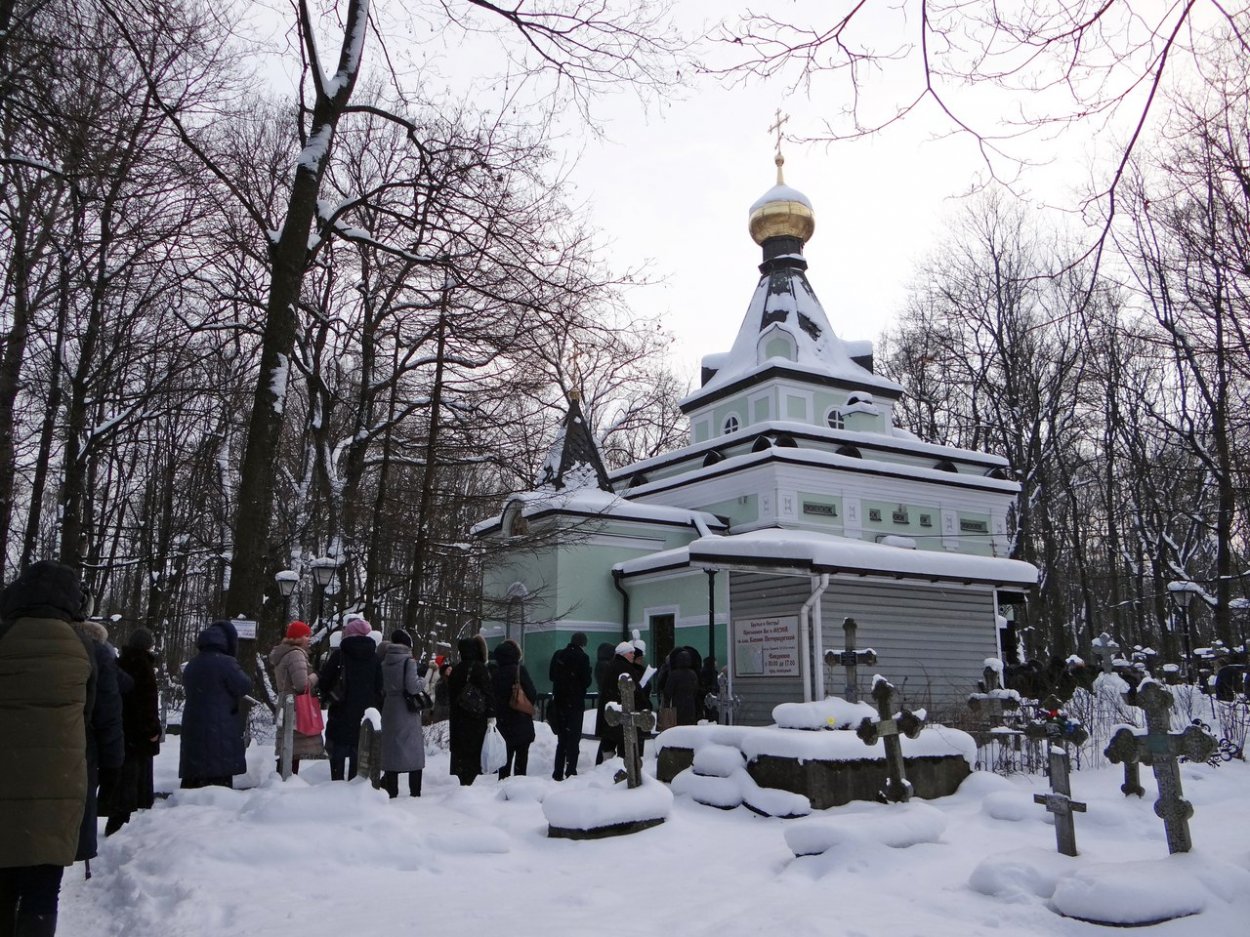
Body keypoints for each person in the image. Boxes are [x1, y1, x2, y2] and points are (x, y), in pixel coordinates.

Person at [0, 560, 94, 937]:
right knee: (43, 888)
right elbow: (90, 713)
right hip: (59, 781)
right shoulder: (83, 648)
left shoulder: (4, 637)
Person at [73, 619, 125, 873]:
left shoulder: (11, 635)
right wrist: (113, 763)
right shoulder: (97, 654)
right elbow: (108, 714)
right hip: (77, 751)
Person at [179, 619, 251, 789]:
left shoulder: (192, 664)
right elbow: (244, 685)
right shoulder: (226, 663)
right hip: (220, 728)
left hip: (194, 726)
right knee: (218, 782)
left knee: (195, 778)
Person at [107, 628, 161, 835]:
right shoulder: (143, 666)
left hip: (122, 728)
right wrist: (152, 729)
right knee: (134, 780)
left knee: (124, 778)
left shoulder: (120, 663)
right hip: (138, 732)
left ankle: (118, 819)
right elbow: (147, 702)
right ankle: (123, 826)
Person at [319, 617, 382, 781]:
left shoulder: (339, 655)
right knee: (359, 752)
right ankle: (356, 787)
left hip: (341, 711)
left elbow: (324, 681)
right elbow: (380, 687)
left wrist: (329, 695)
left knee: (338, 752)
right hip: (364, 714)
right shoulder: (374, 658)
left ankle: (336, 785)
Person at [268, 620, 323, 775]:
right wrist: (315, 676)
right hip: (295, 707)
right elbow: (301, 685)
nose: (309, 639)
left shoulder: (283, 653)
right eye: (306, 635)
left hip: (285, 703)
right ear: (297, 638)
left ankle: (282, 777)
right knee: (292, 749)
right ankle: (287, 780)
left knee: (288, 747)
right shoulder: (296, 655)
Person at [379, 630, 426, 797]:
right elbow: (413, 686)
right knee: (413, 750)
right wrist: (423, 680)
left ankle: (392, 789)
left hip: (390, 707)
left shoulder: (385, 661)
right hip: (406, 709)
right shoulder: (409, 662)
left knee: (392, 749)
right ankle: (415, 791)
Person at [447, 634, 493, 786]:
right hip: (475, 719)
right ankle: (470, 786)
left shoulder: (456, 669)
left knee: (462, 755)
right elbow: (488, 693)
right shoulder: (480, 669)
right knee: (474, 755)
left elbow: (450, 694)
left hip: (458, 719)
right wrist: (491, 714)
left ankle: (463, 782)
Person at [489, 639, 537, 779]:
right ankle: (518, 791)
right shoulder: (519, 671)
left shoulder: (495, 674)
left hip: (503, 724)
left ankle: (503, 789)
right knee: (521, 763)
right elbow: (532, 694)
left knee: (504, 762)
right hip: (521, 721)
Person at [548, 632, 591, 781]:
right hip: (575, 704)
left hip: (559, 702)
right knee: (573, 739)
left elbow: (551, 676)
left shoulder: (559, 654)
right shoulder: (583, 658)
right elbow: (586, 681)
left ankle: (558, 771)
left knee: (562, 739)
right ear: (583, 644)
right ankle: (571, 770)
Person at [595, 641, 637, 765]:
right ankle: (619, 766)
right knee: (621, 740)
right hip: (620, 708)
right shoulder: (624, 668)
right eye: (631, 652)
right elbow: (633, 689)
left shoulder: (610, 666)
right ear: (624, 654)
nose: (633, 655)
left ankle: (603, 765)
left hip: (610, 708)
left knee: (608, 740)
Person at [661, 648, 700, 726]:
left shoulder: (674, 674)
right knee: (688, 725)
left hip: (677, 704)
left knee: (678, 724)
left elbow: (668, 692)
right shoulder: (693, 674)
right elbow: (696, 690)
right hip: (690, 704)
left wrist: (666, 704)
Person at [698, 656, 720, 722]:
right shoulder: (712, 673)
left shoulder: (702, 672)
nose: (716, 663)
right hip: (711, 696)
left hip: (705, 696)